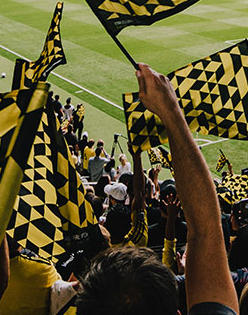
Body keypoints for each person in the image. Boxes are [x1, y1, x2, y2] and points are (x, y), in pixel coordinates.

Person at [77, 64, 237, 315]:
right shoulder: (139, 232)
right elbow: (206, 231)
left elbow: (205, 232)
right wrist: (172, 113)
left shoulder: (136, 231)